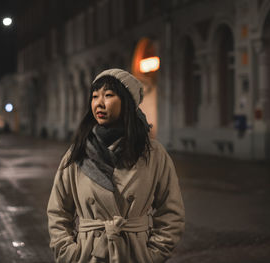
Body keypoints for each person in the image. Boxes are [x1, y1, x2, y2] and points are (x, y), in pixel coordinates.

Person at [47, 69, 185, 263]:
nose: (99, 103)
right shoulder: (77, 152)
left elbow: (171, 211)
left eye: (108, 95)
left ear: (127, 102)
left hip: (135, 254)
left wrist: (153, 254)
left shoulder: (153, 153)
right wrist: (70, 254)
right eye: (95, 97)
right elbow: (58, 211)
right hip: (89, 255)